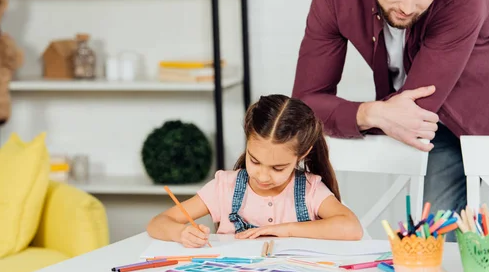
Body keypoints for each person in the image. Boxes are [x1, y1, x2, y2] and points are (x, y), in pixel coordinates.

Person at [291, 0, 489, 236]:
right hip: (434, 125)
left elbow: (412, 110)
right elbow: (305, 104)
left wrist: (376, 114)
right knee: (432, 239)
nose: (408, 7)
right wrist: (370, 113)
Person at [147, 94, 363, 248]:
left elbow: (351, 228)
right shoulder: (225, 188)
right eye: (255, 161)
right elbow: (158, 223)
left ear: (303, 153)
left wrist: (286, 230)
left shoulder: (309, 190)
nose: (262, 176)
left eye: (278, 168)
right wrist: (181, 233)